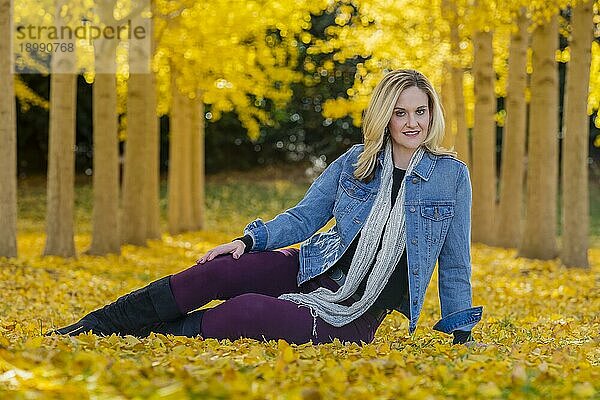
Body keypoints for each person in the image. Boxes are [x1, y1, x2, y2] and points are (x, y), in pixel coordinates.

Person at [47, 69, 483, 346]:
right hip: (315, 264)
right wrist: (247, 241)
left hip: (354, 311)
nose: (413, 123)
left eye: (420, 111)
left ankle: (140, 334)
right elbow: (305, 217)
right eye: (401, 112)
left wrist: (459, 331)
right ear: (385, 117)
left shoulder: (451, 176)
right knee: (217, 272)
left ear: (432, 114)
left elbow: (455, 262)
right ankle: (92, 328)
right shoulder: (357, 161)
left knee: (248, 309)